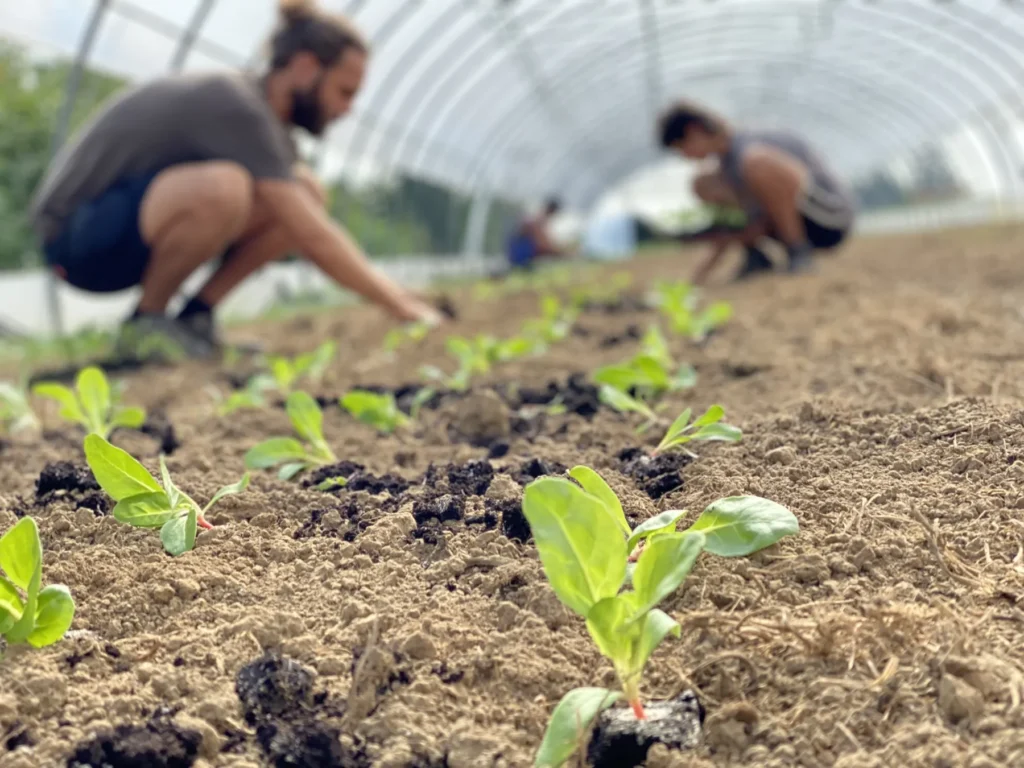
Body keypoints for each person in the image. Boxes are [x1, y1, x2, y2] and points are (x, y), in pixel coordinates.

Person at [29, 0, 443, 361]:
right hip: (75, 239)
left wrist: (401, 297)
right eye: (345, 92)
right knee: (227, 187)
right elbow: (314, 236)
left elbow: (305, 215)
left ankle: (195, 318)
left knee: (306, 191)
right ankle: (146, 324)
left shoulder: (266, 127)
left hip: (127, 232)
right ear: (305, 68)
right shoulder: (236, 104)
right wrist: (401, 306)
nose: (347, 109)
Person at [657, 100, 856, 285]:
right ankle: (757, 257)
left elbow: (795, 181)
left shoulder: (747, 146)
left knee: (756, 163)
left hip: (829, 218)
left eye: (681, 148)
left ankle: (798, 251)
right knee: (703, 183)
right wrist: (699, 275)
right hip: (794, 220)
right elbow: (738, 225)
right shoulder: (726, 163)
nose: (684, 156)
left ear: (694, 131)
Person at [504, 198, 571, 271]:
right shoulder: (536, 220)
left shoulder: (537, 219)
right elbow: (543, 245)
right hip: (520, 258)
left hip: (520, 256)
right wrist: (562, 253)